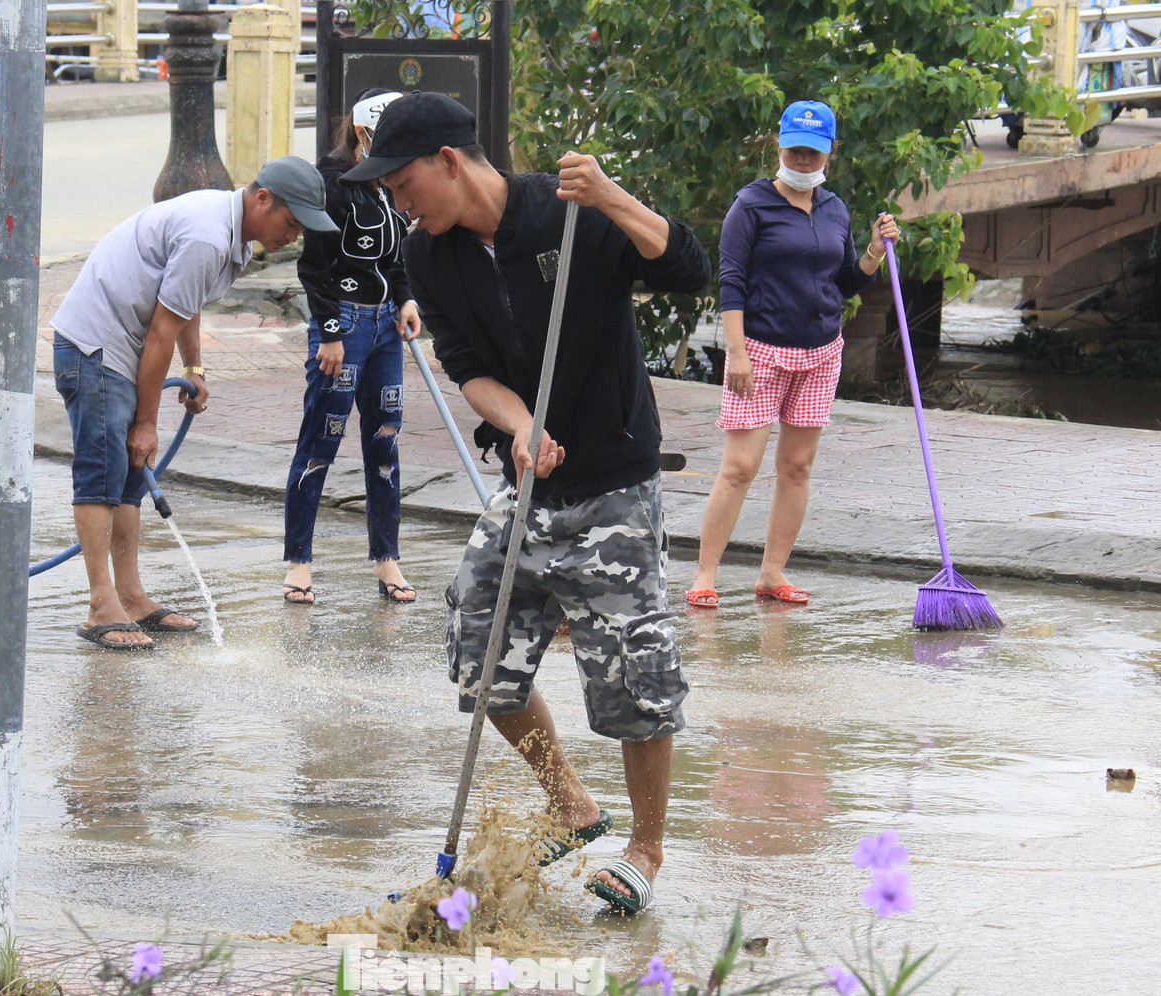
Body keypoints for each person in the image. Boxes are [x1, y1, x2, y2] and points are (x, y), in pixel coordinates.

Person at [341, 92, 710, 914]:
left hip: (614, 477)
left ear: (448, 160)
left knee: (633, 669)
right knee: (477, 645)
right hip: (529, 480)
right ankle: (570, 802)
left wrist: (611, 194)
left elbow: (687, 267)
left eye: (401, 183)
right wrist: (519, 422)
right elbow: (465, 364)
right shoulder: (429, 256)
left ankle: (646, 848)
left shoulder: (565, 211)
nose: (397, 202)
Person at [51, 157, 338, 650]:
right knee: (103, 472)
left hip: (123, 346)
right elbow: (162, 329)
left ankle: (131, 596)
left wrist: (196, 368)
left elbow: (187, 303)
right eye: (291, 223)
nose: (292, 237)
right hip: (97, 348)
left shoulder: (229, 236)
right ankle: (103, 602)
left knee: (129, 478)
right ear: (262, 199)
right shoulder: (208, 235)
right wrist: (146, 421)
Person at [684, 101, 900, 610]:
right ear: (778, 147)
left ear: (830, 154)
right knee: (740, 466)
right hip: (758, 351)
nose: (803, 161)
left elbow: (845, 281)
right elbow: (731, 282)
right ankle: (705, 573)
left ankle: (772, 572)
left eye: (813, 154)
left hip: (822, 351)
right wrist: (736, 352)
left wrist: (872, 251)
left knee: (798, 466)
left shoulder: (835, 209)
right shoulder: (750, 206)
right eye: (795, 151)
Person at [281, 89, 421, 605]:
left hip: (387, 326)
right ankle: (299, 561)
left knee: (384, 438)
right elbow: (313, 269)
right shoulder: (332, 184)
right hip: (343, 326)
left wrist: (405, 300)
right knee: (321, 438)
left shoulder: (389, 185)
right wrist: (333, 332)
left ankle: (387, 559)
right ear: (363, 134)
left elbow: (396, 257)